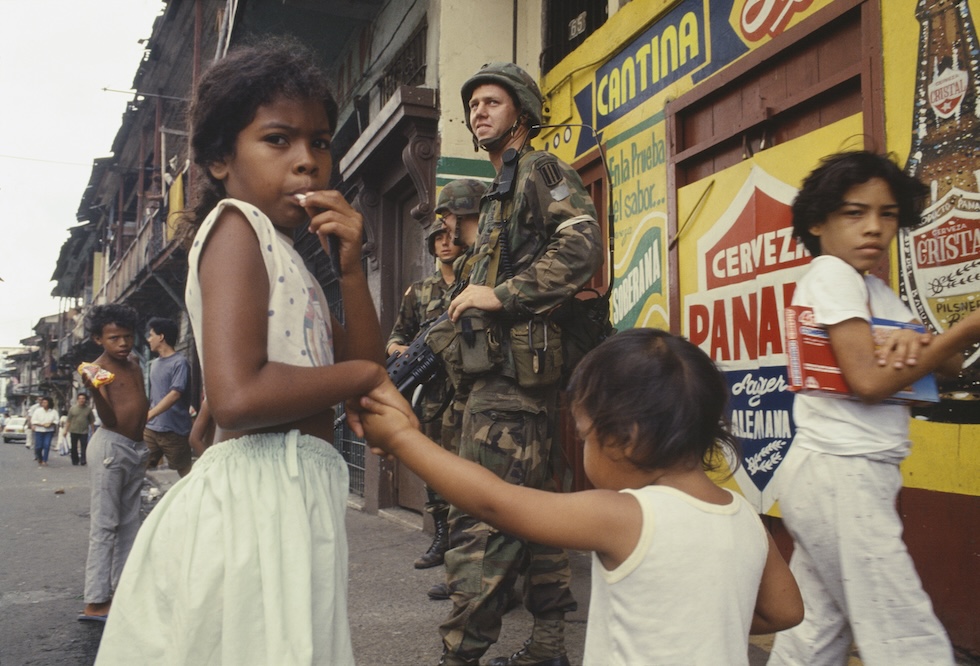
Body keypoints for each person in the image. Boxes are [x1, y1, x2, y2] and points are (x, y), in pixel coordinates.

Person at [94, 37, 394, 665]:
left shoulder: (290, 256)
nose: (308, 162)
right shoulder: (236, 227)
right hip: (256, 506)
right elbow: (237, 397)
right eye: (278, 140)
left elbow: (364, 371)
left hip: (288, 497)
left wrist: (353, 271)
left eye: (320, 142)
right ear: (222, 157)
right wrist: (362, 372)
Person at [352, 328, 805, 664]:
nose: (583, 447)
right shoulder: (744, 514)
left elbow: (496, 502)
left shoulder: (628, 516)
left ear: (626, 438)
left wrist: (403, 438)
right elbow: (786, 610)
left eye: (586, 436)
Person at [767, 151, 980, 666]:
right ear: (817, 222)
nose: (874, 228)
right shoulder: (833, 274)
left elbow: (945, 367)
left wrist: (927, 346)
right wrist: (966, 329)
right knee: (904, 633)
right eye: (854, 213)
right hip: (843, 474)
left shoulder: (875, 290)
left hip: (844, 475)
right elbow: (867, 381)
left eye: (887, 215)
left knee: (815, 632)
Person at [426, 62, 603, 666]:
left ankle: (461, 656)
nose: (479, 111)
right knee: (537, 514)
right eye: (473, 104)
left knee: (480, 521)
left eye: (492, 102)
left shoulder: (539, 169)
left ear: (521, 111)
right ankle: (549, 645)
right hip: (507, 384)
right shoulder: (502, 186)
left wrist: (500, 295)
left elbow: (583, 243)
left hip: (510, 387)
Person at [387, 179, 486, 572]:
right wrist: (401, 350)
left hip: (466, 386)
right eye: (437, 239)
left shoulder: (473, 276)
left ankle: (466, 555)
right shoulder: (419, 291)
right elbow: (398, 334)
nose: (445, 242)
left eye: (449, 234)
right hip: (431, 391)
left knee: (467, 468)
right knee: (435, 467)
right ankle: (443, 539)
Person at [78, 303, 150, 622]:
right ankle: (95, 601)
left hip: (135, 447)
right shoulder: (95, 370)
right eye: (114, 338)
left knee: (130, 522)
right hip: (111, 446)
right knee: (105, 524)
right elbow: (107, 419)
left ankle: (122, 591)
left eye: (128, 336)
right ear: (98, 340)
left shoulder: (134, 362)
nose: (122, 343)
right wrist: (95, 392)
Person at [143, 316, 194, 477]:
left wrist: (150, 414)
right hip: (151, 429)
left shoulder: (180, 363)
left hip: (175, 431)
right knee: (137, 466)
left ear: (161, 337)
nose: (148, 339)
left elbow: (174, 394)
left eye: (151, 335)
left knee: (186, 473)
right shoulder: (155, 364)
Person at [63, 393, 95, 466]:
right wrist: (65, 430)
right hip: (73, 430)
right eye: (80, 398)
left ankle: (83, 460)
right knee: (74, 446)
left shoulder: (88, 409)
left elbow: (91, 421)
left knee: (84, 446)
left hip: (84, 431)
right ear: (77, 400)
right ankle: (75, 460)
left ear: (85, 400)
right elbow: (68, 420)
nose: (81, 400)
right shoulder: (72, 409)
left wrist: (93, 431)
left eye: (83, 398)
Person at [30, 396, 58, 466]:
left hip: (49, 431)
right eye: (43, 402)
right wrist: (41, 424)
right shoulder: (38, 411)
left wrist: (51, 423)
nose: (44, 404)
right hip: (39, 430)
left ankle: (45, 460)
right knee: (38, 446)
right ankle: (40, 458)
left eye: (45, 402)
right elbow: (33, 420)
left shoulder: (53, 412)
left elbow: (57, 420)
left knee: (47, 445)